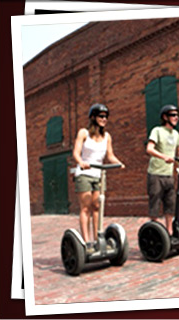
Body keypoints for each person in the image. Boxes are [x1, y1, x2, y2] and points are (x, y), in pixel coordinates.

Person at [72, 103, 125, 248]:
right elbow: (76, 153)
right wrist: (81, 162)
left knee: (97, 207)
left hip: (98, 174)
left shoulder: (107, 136)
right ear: (93, 117)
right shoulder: (83, 133)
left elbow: (110, 155)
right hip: (84, 173)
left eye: (106, 117)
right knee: (85, 208)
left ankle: (97, 241)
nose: (104, 119)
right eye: (101, 116)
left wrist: (119, 163)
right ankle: (86, 242)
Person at [145, 104, 179, 230]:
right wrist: (164, 157)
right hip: (155, 173)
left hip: (169, 174)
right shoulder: (157, 131)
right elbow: (149, 149)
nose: (176, 117)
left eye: (177, 115)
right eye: (173, 115)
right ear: (165, 117)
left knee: (170, 203)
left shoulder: (176, 134)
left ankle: (170, 231)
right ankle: (154, 229)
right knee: (155, 203)